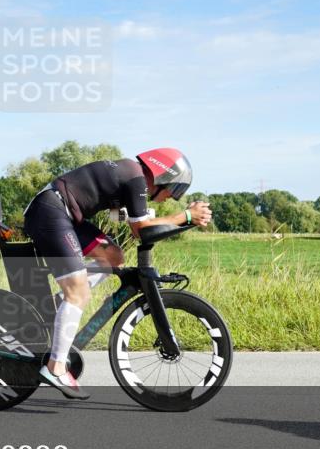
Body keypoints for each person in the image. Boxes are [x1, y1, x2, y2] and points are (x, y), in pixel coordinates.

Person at [22, 148, 213, 399]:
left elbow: (131, 217)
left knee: (113, 256)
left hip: (64, 213)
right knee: (78, 292)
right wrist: (186, 215)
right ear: (162, 177)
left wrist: (180, 219)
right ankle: (55, 367)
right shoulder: (135, 178)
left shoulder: (132, 176)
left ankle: (64, 299)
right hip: (51, 212)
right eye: (174, 190)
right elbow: (140, 229)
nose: (170, 197)